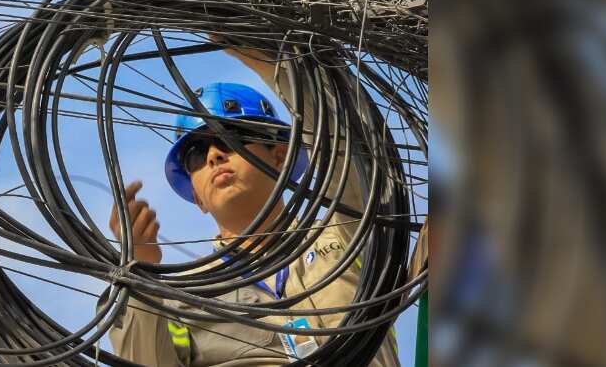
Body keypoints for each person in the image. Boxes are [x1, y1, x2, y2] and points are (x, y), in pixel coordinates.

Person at [106, 42, 409, 366]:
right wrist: (140, 271)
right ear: (196, 197)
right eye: (197, 153)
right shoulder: (181, 296)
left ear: (280, 157)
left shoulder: (343, 236)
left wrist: (268, 54)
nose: (214, 155)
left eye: (231, 137)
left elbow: (349, 158)